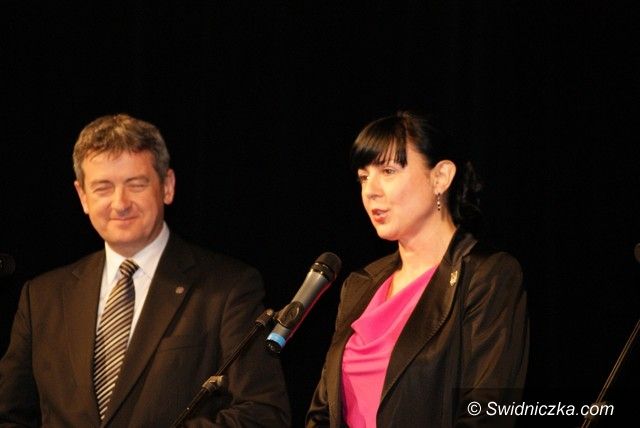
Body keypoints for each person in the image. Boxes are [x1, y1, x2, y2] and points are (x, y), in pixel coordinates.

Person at [0, 114, 291, 427]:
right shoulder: (41, 297)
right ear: (83, 196)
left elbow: (263, 413)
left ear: (167, 186)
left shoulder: (228, 288)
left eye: (136, 184)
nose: (120, 203)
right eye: (102, 188)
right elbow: (10, 416)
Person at [306, 111, 529, 427]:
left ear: (440, 177)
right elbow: (322, 412)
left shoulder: (487, 276)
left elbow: (485, 414)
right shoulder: (360, 284)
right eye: (363, 177)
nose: (370, 191)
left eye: (388, 171)